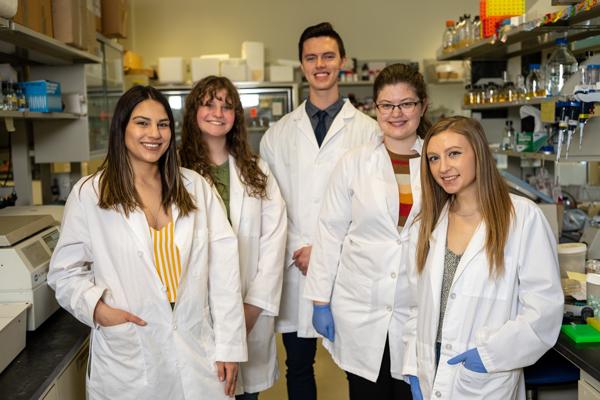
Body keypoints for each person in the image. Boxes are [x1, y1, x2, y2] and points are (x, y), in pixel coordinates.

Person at [48, 85, 247, 400]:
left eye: (163, 124)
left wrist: (230, 346)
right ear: (121, 128)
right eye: (142, 123)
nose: (154, 133)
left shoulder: (195, 187)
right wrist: (98, 309)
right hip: (130, 351)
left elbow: (225, 274)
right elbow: (64, 271)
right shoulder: (91, 193)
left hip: (196, 344)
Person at [402, 116, 564, 400]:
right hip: (431, 364)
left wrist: (487, 356)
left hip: (483, 370)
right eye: (433, 158)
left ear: (478, 153)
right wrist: (413, 367)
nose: (443, 168)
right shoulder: (426, 222)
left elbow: (543, 310)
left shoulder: (522, 218)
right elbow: (415, 304)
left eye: (454, 154)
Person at [260, 22, 380, 400]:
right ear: (301, 65)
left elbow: (373, 207)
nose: (320, 64)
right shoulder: (277, 134)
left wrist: (327, 253)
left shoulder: (369, 131)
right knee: (297, 365)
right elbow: (271, 208)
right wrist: (304, 249)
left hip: (351, 269)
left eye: (328, 56)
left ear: (342, 61)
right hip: (297, 266)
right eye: (311, 57)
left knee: (355, 368)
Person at [303, 63, 429, 399]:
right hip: (360, 309)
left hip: (417, 309)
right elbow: (330, 232)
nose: (396, 113)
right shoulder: (354, 162)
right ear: (376, 109)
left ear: (422, 106)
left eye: (406, 104)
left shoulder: (439, 162)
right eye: (387, 105)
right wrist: (320, 301)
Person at [179, 75, 287, 400]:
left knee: (245, 394)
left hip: (248, 308)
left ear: (237, 116)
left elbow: (274, 241)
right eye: (209, 104)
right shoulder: (175, 170)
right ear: (194, 112)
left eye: (227, 106)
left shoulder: (257, 170)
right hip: (192, 311)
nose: (218, 112)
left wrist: (251, 308)